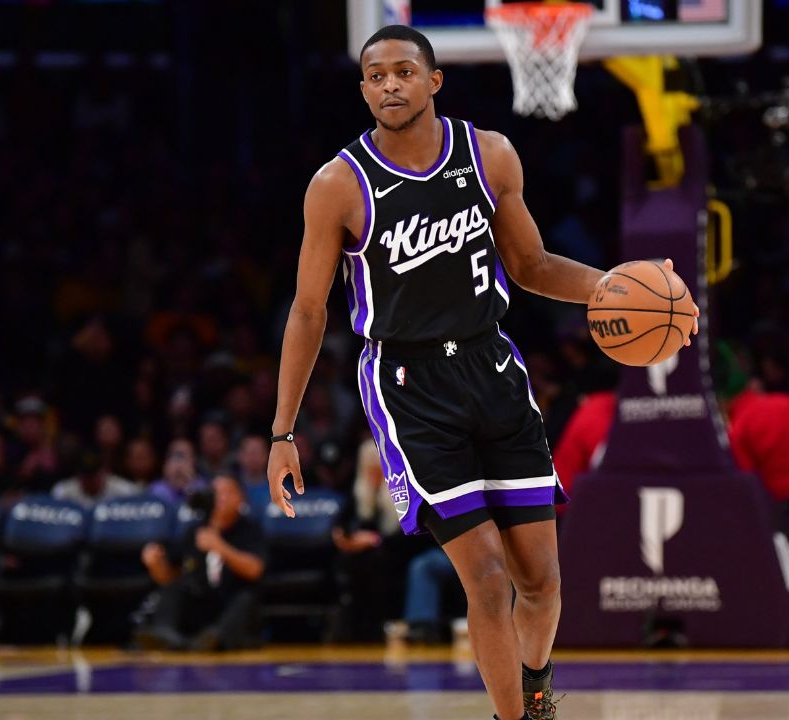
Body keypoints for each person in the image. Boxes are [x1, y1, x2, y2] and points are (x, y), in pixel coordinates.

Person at [266, 26, 695, 720]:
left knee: (542, 582)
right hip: (408, 388)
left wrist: (623, 288)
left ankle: (534, 690)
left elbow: (533, 267)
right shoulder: (337, 185)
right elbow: (310, 311)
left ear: (435, 81)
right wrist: (283, 431)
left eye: (405, 72)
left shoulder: (489, 154)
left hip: (492, 368)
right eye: (376, 76)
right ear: (363, 90)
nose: (390, 85)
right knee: (489, 582)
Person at [136, 474, 266, 651]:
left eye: (227, 493)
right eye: (216, 493)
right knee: (175, 588)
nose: (220, 498)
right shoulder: (195, 530)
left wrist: (221, 547)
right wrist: (155, 564)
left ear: (240, 499)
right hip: (201, 604)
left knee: (246, 599)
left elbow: (255, 569)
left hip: (231, 604)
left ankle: (216, 637)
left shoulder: (250, 529)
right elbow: (167, 577)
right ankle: (165, 632)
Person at [52, 448, 138, 509]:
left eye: (94, 475)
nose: (90, 480)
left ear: (105, 470)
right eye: (86, 475)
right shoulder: (63, 492)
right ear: (78, 474)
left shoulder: (125, 491)